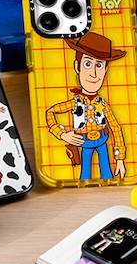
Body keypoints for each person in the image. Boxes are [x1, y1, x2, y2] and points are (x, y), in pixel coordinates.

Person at [45, 31, 127, 181]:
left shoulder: (103, 104)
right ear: (77, 66)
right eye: (87, 64)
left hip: (102, 140)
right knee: (85, 174)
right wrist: (62, 134)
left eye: (99, 65)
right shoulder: (75, 103)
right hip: (83, 142)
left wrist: (120, 158)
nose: (94, 74)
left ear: (106, 70)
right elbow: (50, 112)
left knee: (107, 172)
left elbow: (115, 127)